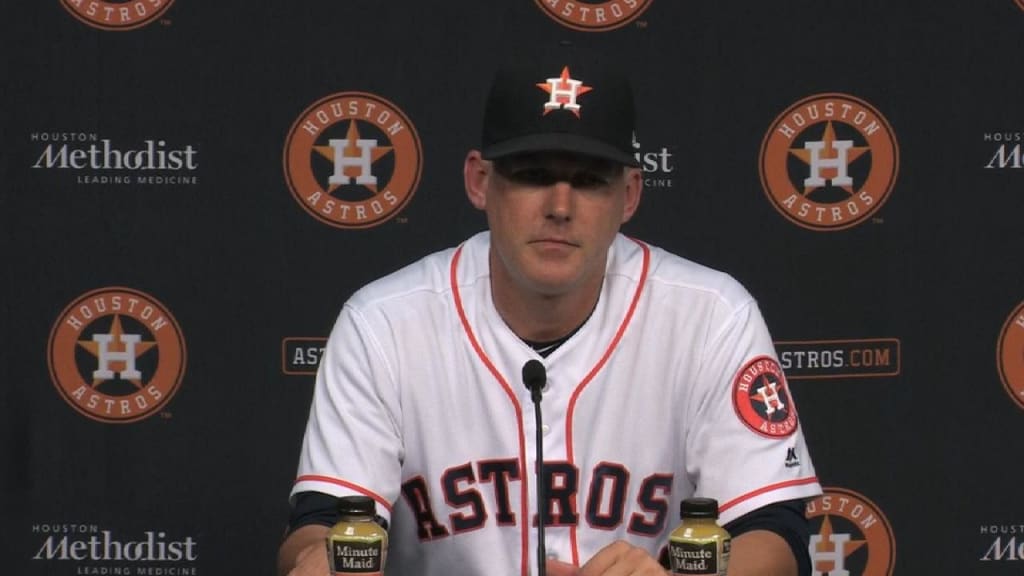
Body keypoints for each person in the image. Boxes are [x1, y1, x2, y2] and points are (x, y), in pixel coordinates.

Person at [278, 45, 821, 576]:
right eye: (534, 175)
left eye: (588, 181)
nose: (560, 208)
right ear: (480, 182)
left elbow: (774, 530)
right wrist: (318, 559)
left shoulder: (710, 317)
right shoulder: (384, 324)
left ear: (629, 195)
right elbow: (323, 520)